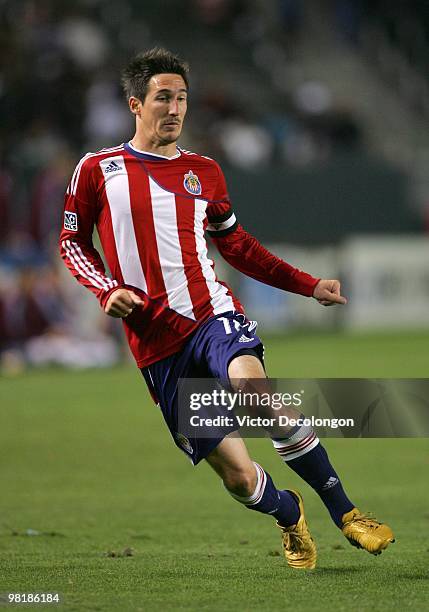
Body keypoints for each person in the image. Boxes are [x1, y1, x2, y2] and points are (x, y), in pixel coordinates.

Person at [59, 47, 394, 569]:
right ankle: (288, 513)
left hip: (211, 316)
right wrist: (106, 290)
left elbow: (238, 247)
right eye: (162, 98)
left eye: (182, 99)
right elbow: (73, 242)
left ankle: (348, 513)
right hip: (154, 343)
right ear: (135, 104)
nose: (174, 109)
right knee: (238, 478)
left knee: (255, 393)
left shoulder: (204, 172)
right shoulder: (98, 169)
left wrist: (309, 286)